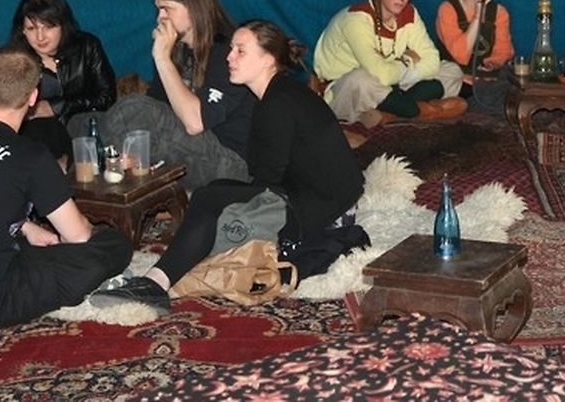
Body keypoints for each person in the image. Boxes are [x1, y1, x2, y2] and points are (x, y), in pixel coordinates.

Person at [91, 20, 367, 314]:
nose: (229, 57)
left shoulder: (278, 102)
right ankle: (160, 277)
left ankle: (157, 282)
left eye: (240, 51)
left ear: (268, 59)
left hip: (324, 209)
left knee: (210, 199)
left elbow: (268, 177)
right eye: (231, 48)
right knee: (214, 193)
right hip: (320, 195)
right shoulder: (277, 94)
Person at [0, 48, 131, 327]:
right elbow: (78, 236)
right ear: (33, 97)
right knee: (113, 244)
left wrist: (25, 226)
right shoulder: (30, 156)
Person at [92, 0, 255, 191]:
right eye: (158, 9)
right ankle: (113, 180)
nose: (160, 18)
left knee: (134, 107)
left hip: (230, 161)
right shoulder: (177, 51)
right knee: (84, 122)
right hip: (186, 149)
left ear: (193, 6)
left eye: (166, 9)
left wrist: (162, 58)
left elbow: (195, 123)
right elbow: (157, 108)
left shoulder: (227, 52)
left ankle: (115, 179)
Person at [314, 0, 465, 128]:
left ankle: (390, 112)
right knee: (360, 79)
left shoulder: (409, 13)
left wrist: (405, 69)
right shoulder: (355, 20)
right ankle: (417, 110)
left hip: (392, 83)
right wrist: (407, 61)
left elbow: (431, 57)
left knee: (452, 71)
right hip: (345, 90)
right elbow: (380, 74)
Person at [7, 0, 117, 164]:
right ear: (22, 31)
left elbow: (107, 97)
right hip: (38, 138)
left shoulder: (87, 46)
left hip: (85, 129)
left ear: (63, 25)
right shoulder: (14, 59)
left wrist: (56, 107)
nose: (40, 36)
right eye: (32, 28)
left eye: (48, 27)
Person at [435, 0, 515, 104]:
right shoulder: (448, 10)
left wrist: (493, 63)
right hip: (456, 78)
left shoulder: (499, 12)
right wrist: (477, 17)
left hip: (487, 78)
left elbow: (503, 49)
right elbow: (460, 55)